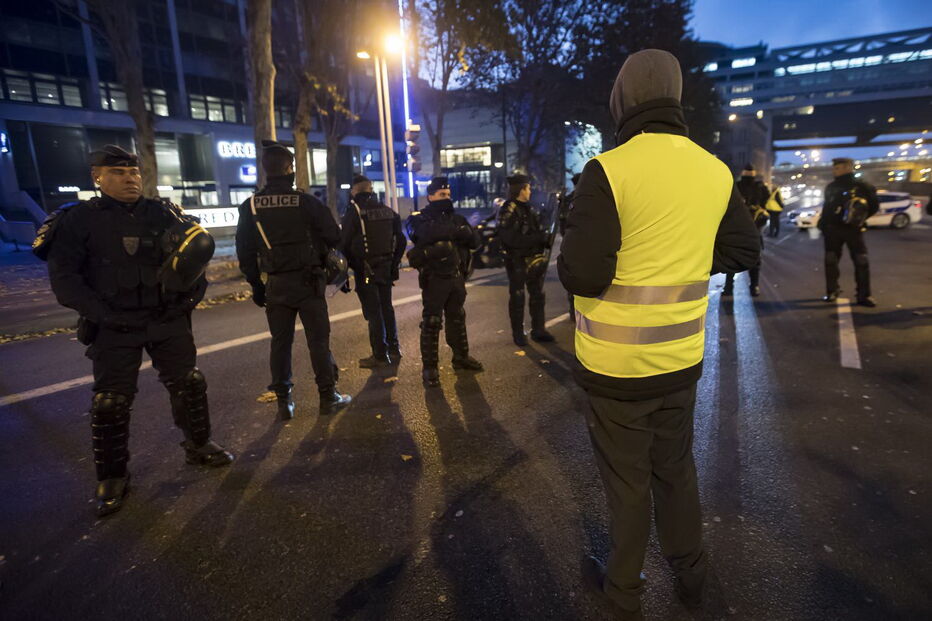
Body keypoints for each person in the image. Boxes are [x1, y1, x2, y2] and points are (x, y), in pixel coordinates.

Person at [558, 50, 760, 620]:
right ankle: (692, 577)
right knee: (676, 471)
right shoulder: (714, 170)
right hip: (679, 359)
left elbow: (583, 273)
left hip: (616, 368)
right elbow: (744, 249)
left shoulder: (609, 170)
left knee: (627, 485)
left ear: (622, 100)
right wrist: (686, 260)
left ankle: (624, 593)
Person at [38, 144, 234, 517]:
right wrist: (105, 316)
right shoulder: (77, 220)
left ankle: (199, 445)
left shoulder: (163, 213)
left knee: (189, 383)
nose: (130, 178)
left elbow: (195, 260)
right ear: (97, 177)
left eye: (134, 172)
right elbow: (66, 282)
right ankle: (112, 477)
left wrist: (186, 302)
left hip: (165, 318)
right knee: (110, 402)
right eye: (119, 173)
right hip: (113, 325)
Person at [236, 140, 351, 420]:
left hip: (276, 285)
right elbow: (335, 237)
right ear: (290, 170)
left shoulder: (251, 207)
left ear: (266, 171)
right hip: (309, 283)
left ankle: (284, 402)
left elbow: (245, 251)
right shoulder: (307, 203)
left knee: (280, 343)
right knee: (318, 343)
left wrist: (256, 284)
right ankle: (328, 397)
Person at [405, 176, 483, 387]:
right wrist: (456, 231)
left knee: (457, 317)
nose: (446, 198)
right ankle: (430, 368)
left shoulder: (456, 218)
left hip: (456, 276)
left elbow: (475, 241)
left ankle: (461, 357)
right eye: (441, 195)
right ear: (430, 196)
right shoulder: (419, 218)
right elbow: (423, 234)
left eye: (448, 195)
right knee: (431, 322)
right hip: (434, 279)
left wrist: (464, 231)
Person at [341, 174, 406, 367]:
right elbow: (400, 240)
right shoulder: (387, 210)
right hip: (385, 266)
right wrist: (394, 264)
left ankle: (379, 354)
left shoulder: (355, 211)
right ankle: (394, 348)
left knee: (373, 311)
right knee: (386, 307)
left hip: (365, 269)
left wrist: (343, 272)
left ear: (355, 191)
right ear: (370, 189)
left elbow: (343, 243)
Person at [497, 174, 555, 345]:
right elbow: (509, 237)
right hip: (517, 260)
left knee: (537, 294)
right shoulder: (509, 208)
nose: (530, 191)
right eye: (528, 188)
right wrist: (536, 239)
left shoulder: (528, 208)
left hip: (532, 259)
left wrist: (544, 238)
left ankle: (539, 330)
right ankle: (518, 334)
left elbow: (534, 231)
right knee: (518, 296)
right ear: (521, 189)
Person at [818, 157, 879, 306]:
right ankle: (832, 291)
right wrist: (823, 225)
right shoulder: (832, 186)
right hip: (833, 229)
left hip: (853, 230)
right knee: (831, 261)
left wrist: (859, 219)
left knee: (861, 261)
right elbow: (827, 207)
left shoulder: (863, 186)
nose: (834, 171)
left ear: (847, 168)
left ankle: (863, 295)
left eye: (837, 168)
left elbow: (874, 206)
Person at [723, 164, 769, 297]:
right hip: (753, 227)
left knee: (731, 256)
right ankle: (753, 286)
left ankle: (729, 287)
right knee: (754, 257)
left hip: (737, 226)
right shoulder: (759, 187)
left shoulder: (736, 185)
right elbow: (767, 204)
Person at [559, 173, 581, 318]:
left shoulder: (567, 200)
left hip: (569, 241)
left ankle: (573, 310)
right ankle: (576, 310)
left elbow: (561, 222)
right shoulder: (582, 199)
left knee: (573, 276)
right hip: (581, 243)